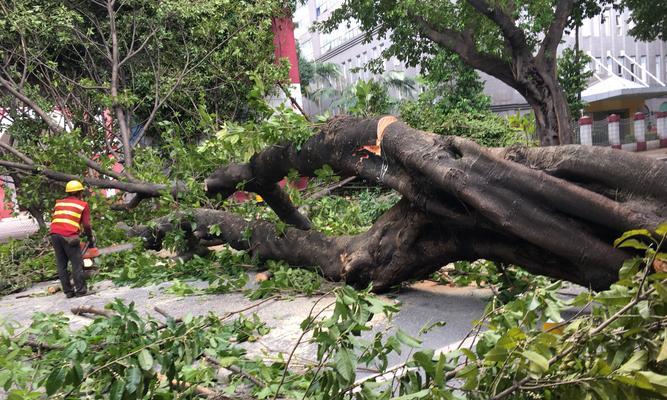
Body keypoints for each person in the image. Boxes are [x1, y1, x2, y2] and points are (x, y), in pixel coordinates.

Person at [49, 180, 95, 298]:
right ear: (80, 192)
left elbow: (58, 219)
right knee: (77, 263)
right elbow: (86, 225)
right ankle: (80, 291)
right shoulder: (82, 205)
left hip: (54, 234)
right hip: (69, 236)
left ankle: (68, 292)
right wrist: (90, 238)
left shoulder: (59, 203)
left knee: (61, 264)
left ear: (68, 193)